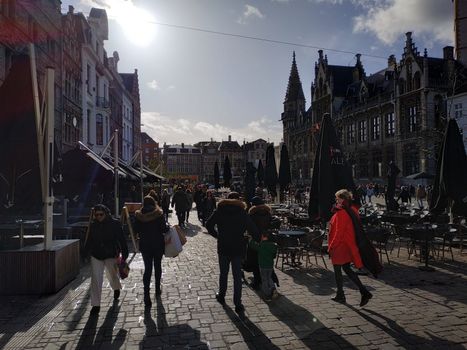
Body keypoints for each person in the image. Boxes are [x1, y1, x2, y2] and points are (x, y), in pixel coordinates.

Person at [206, 192, 259, 314]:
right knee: (236, 276)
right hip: (238, 247)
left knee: (223, 273)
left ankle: (222, 295)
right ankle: (238, 303)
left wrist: (217, 236)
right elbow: (253, 230)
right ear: (238, 199)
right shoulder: (242, 212)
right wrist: (258, 238)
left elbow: (208, 224)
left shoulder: (220, 210)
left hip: (224, 246)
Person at [328, 189, 372, 307]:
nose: (336, 200)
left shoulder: (342, 212)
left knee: (338, 271)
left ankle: (341, 295)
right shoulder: (352, 210)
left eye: (338, 198)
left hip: (340, 246)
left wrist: (331, 246)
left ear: (343, 199)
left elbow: (339, 232)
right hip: (346, 245)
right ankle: (363, 291)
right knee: (347, 269)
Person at [84, 204, 129, 315]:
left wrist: (125, 252)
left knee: (113, 275)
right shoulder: (94, 225)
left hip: (111, 254)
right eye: (96, 215)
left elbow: (121, 239)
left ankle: (116, 288)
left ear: (106, 213)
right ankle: (96, 305)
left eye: (101, 214)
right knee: (96, 280)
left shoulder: (115, 224)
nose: (98, 216)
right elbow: (89, 239)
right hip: (96, 255)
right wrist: (84, 253)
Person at [134, 196, 169, 307]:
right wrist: (168, 227)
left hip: (145, 245)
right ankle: (157, 289)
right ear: (154, 203)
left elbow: (135, 230)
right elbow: (164, 229)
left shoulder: (139, 215)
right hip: (157, 244)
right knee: (157, 266)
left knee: (147, 269)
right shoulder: (158, 214)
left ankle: (146, 294)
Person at [248, 232, 278, 301]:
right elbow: (274, 254)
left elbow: (253, 245)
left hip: (263, 266)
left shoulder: (261, 246)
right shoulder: (272, 245)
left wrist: (251, 239)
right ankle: (273, 288)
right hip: (270, 266)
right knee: (269, 277)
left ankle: (267, 295)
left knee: (264, 280)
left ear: (263, 237)